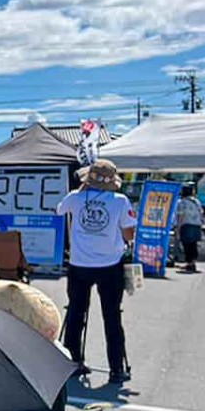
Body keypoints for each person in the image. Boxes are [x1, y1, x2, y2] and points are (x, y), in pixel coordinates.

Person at [56, 159, 137, 384]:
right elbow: (129, 234)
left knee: (75, 313)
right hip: (110, 265)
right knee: (112, 317)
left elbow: (59, 210)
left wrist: (81, 191)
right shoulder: (120, 201)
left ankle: (73, 362)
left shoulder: (75, 197)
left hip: (79, 264)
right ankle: (116, 369)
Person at [176, 182, 204, 274]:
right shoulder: (196, 201)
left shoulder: (182, 202)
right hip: (197, 225)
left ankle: (190, 263)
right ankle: (192, 263)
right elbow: (201, 213)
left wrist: (178, 228)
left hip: (186, 225)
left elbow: (180, 216)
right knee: (193, 245)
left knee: (187, 245)